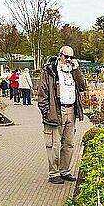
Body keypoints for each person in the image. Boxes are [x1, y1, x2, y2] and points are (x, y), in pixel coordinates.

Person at [38, 46, 86, 184]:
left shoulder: (73, 71)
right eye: (66, 57)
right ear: (60, 56)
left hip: (71, 111)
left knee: (68, 144)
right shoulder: (50, 71)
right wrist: (46, 112)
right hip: (55, 111)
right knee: (53, 144)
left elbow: (83, 87)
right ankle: (53, 174)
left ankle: (65, 171)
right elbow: (42, 94)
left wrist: (77, 70)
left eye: (72, 57)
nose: (69, 60)